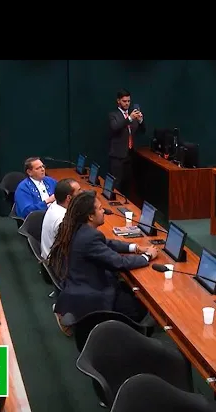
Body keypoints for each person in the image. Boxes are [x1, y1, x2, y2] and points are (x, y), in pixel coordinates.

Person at [48, 191, 158, 335]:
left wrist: (134, 247)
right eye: (100, 209)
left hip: (75, 282)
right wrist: (147, 256)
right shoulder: (89, 237)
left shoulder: (76, 227)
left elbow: (107, 243)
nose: (103, 211)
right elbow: (119, 262)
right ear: (90, 216)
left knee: (128, 290)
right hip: (92, 292)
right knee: (138, 309)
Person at [108, 88, 145, 195]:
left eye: (128, 101)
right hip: (117, 156)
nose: (127, 103)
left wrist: (141, 121)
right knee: (116, 184)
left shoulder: (133, 115)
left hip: (130, 155)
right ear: (118, 101)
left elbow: (142, 131)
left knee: (128, 185)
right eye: (124, 101)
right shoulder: (113, 115)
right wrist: (129, 119)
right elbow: (115, 127)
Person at [40, 178, 82, 260]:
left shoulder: (56, 204)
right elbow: (75, 248)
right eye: (79, 191)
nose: (82, 193)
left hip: (49, 253)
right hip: (55, 262)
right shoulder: (63, 220)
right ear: (69, 198)